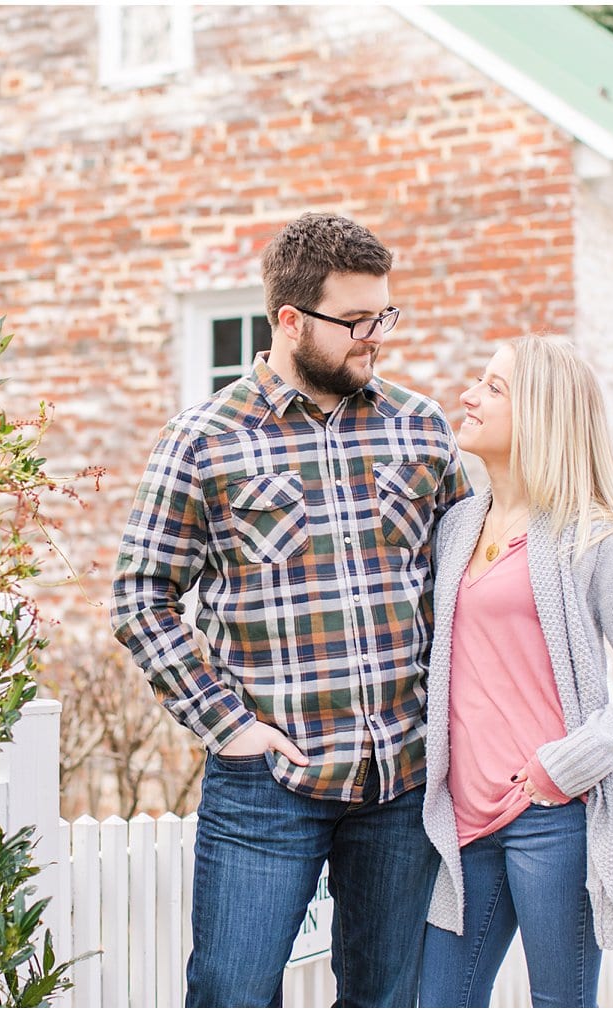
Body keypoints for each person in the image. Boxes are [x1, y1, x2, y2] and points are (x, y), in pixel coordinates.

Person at [111, 211, 470, 1007]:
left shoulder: (421, 427)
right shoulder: (204, 440)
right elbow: (141, 596)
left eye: (383, 315)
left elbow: (469, 582)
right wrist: (228, 726)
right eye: (353, 321)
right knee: (231, 994)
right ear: (287, 319)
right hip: (270, 782)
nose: (374, 336)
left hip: (401, 777)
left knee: (386, 999)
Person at [418, 336, 613, 1008]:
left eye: (492, 387)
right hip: (462, 821)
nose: (468, 395)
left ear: (539, 413)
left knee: (559, 1003)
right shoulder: (454, 526)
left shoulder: (590, 536)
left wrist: (566, 763)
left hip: (550, 815)